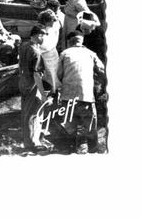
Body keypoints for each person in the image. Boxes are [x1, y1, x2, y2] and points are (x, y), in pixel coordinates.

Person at [57, 30, 105, 153]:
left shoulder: (64, 54)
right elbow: (101, 70)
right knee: (89, 125)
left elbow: (58, 74)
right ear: (82, 41)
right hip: (86, 96)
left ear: (69, 42)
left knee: (69, 125)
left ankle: (70, 149)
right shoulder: (91, 54)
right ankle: (92, 149)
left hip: (68, 97)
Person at [19, 25, 52, 153]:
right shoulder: (36, 52)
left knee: (26, 113)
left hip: (22, 82)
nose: (43, 38)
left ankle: (29, 140)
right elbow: (37, 74)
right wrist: (43, 94)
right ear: (38, 35)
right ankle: (32, 143)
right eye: (43, 35)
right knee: (33, 114)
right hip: (31, 85)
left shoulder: (23, 45)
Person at [37, 9, 60, 92]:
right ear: (46, 21)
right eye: (51, 20)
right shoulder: (40, 31)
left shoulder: (54, 26)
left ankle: (54, 91)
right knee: (49, 74)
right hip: (45, 54)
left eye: (54, 20)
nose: (53, 22)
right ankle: (50, 89)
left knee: (54, 74)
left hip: (53, 52)